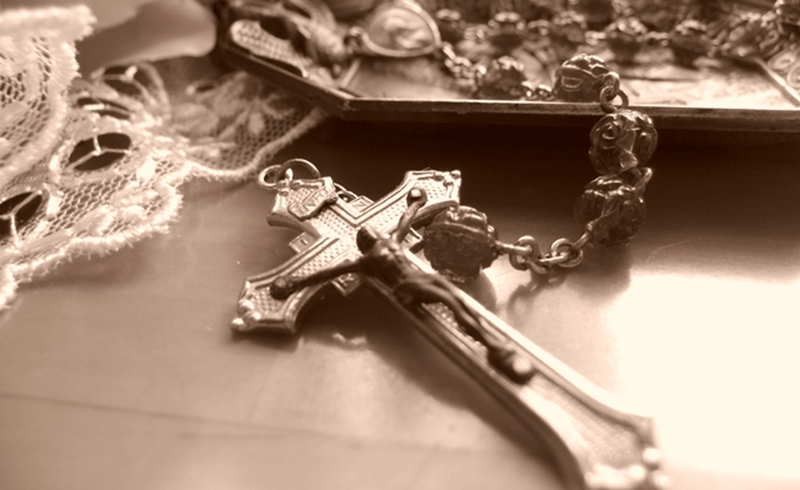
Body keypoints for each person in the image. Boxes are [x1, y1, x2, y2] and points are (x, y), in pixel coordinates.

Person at [270, 188, 535, 384]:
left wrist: (415, 203)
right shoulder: (366, 262)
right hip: (408, 287)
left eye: (373, 232)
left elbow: (405, 221)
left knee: (458, 301)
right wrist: (294, 283)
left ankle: (494, 344)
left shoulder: (392, 242)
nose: (373, 233)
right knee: (452, 304)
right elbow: (330, 272)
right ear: (365, 244)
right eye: (369, 235)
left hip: (421, 279)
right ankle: (495, 350)